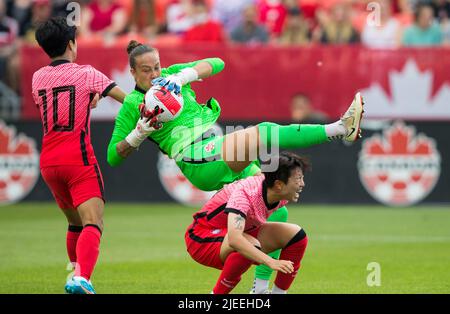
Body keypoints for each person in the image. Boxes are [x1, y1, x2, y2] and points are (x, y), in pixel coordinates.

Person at [106, 40, 364, 293]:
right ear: (133, 73)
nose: (155, 74)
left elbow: (217, 63)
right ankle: (340, 128)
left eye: (157, 67)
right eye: (146, 70)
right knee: (262, 133)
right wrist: (137, 134)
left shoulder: (172, 77)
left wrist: (183, 76)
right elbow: (113, 156)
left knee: (277, 209)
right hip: (194, 156)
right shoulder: (131, 105)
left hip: (216, 145)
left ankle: (261, 290)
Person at [32, 16, 126, 294]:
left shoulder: (38, 78)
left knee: (74, 223)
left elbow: (59, 103)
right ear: (72, 44)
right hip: (78, 158)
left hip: (49, 162)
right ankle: (82, 278)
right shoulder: (87, 73)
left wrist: (87, 99)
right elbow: (126, 98)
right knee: (93, 222)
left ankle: (75, 271)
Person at [185, 151, 309, 294]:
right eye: (298, 179)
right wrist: (270, 261)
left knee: (297, 236)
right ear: (279, 185)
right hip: (201, 239)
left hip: (237, 234)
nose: (302, 184)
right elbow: (235, 240)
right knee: (250, 244)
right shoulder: (245, 194)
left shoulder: (276, 191)